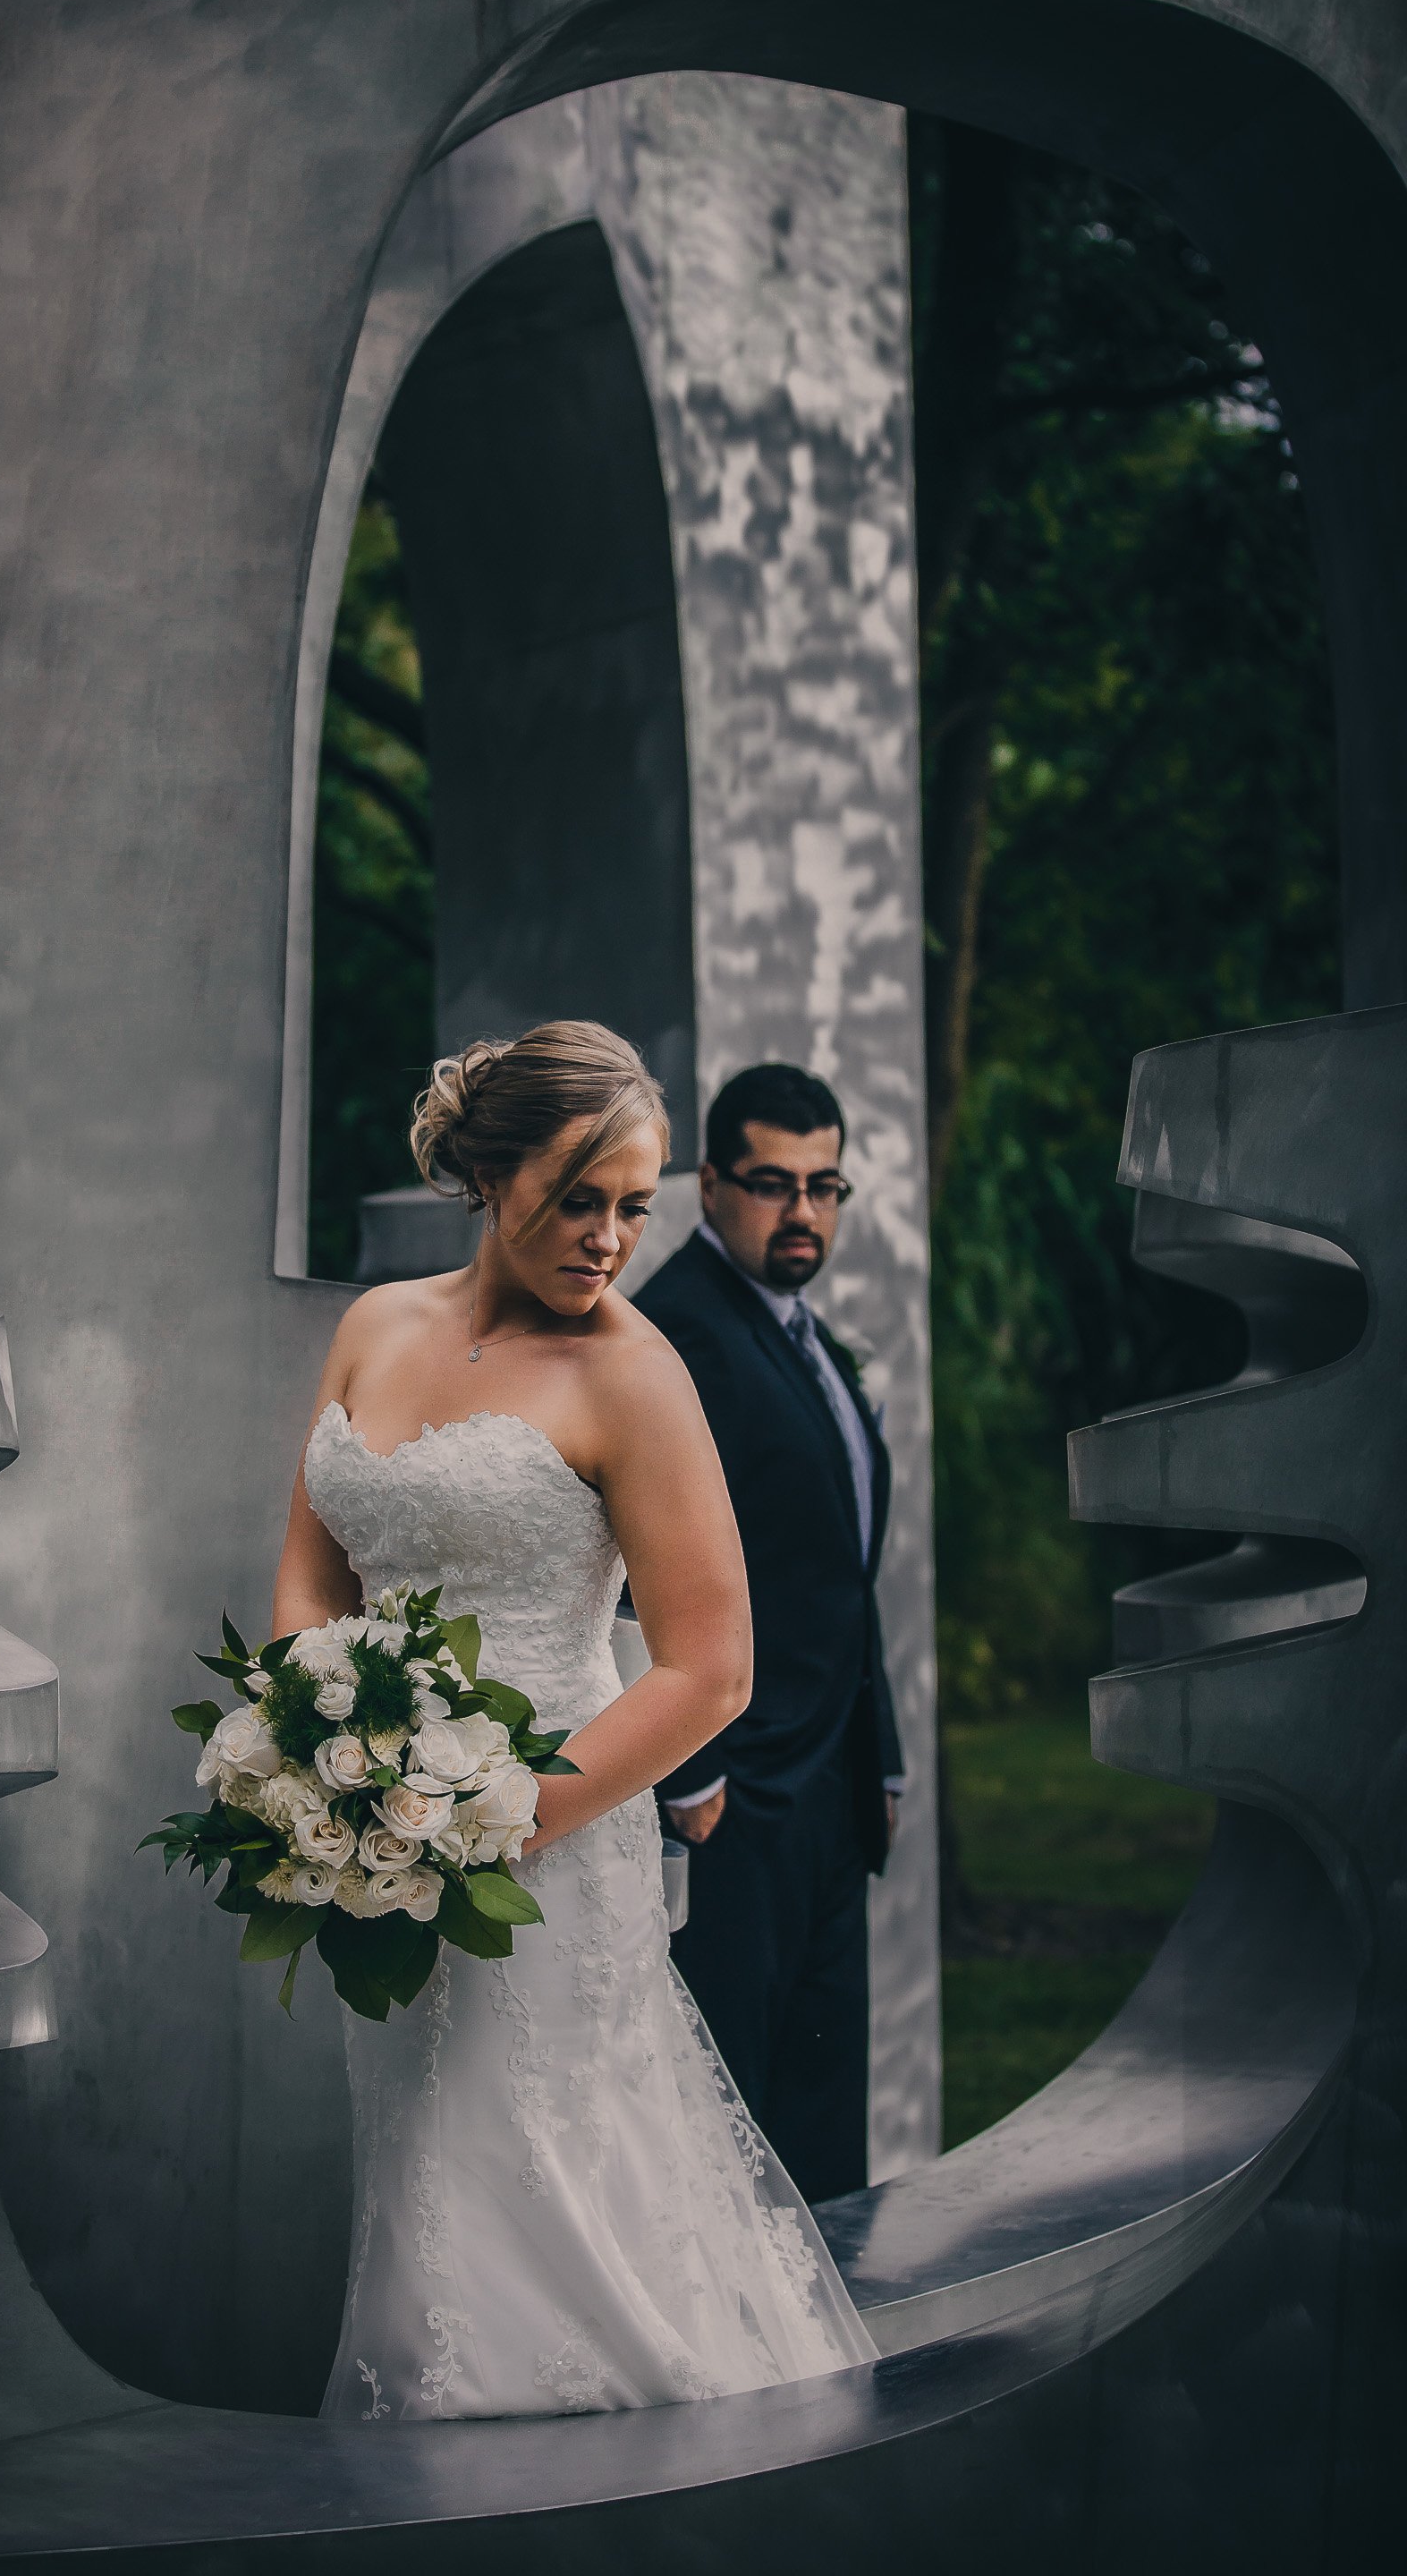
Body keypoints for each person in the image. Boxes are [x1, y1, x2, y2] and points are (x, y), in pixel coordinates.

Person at [273, 1021, 876, 2423]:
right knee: (421, 2161)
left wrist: (484, 1820)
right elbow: (313, 1573)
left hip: (548, 1835)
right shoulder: (376, 1328)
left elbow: (711, 1669)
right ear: (489, 1174)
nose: (609, 1239)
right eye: (579, 1198)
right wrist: (331, 1775)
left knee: (543, 2166)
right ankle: (431, 2459)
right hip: (384, 1838)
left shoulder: (636, 1374)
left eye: (635, 1207)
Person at [633, 1065, 903, 2206]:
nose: (802, 1213)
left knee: (818, 2110)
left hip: (829, 1788)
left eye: (823, 1185)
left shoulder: (804, 1337)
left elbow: (836, 1573)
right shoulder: (675, 1337)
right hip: (732, 1797)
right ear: (708, 1185)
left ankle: (833, 2344)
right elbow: (637, 1565)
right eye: (770, 1185)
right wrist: (689, 1776)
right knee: (729, 2119)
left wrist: (877, 1750)